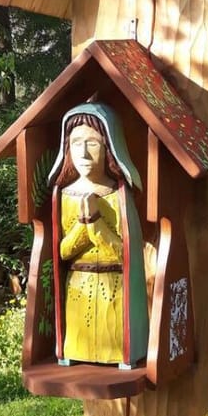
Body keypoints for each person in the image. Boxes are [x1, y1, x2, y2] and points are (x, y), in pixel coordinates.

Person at [49, 103, 148, 368]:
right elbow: (63, 252)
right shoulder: (64, 194)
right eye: (76, 143)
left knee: (113, 335)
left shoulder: (118, 194)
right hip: (77, 288)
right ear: (67, 148)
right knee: (78, 339)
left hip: (114, 290)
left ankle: (124, 356)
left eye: (92, 143)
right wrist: (84, 223)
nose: (83, 152)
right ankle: (70, 354)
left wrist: (95, 223)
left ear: (109, 148)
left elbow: (124, 253)